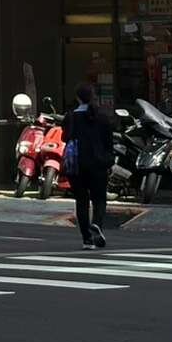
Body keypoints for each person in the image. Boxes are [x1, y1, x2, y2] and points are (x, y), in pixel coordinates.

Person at [61, 82, 114, 250]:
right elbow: (109, 142)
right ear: (93, 97)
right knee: (99, 199)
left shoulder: (70, 117)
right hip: (98, 164)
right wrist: (109, 161)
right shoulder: (102, 118)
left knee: (81, 201)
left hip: (76, 165)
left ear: (77, 98)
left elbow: (65, 138)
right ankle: (96, 223)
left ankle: (87, 239)